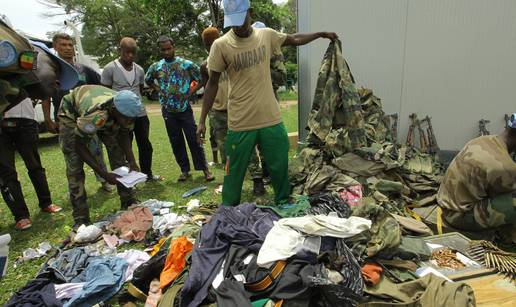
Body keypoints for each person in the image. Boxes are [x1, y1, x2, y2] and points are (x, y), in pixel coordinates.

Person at [197, 0, 337, 206]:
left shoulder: (266, 35)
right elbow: (212, 84)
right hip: (240, 121)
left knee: (279, 165)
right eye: (233, 22)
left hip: (270, 117)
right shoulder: (221, 45)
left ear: (250, 13)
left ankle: (283, 200)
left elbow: (294, 39)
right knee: (234, 170)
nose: (237, 26)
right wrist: (201, 120)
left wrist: (320, 34)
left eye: (241, 20)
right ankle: (228, 210)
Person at [58, 85, 142, 227]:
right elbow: (78, 145)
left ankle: (128, 200)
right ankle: (81, 218)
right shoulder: (97, 115)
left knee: (118, 156)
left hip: (107, 116)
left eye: (131, 119)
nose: (129, 121)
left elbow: (124, 134)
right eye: (126, 119)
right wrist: (103, 174)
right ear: (115, 110)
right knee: (75, 167)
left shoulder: (127, 110)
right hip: (71, 113)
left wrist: (132, 161)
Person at [42, 33, 116, 193]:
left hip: (88, 120)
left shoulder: (85, 70)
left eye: (70, 45)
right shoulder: (52, 72)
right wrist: (47, 119)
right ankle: (76, 186)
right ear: (55, 47)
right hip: (65, 121)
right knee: (72, 155)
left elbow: (102, 89)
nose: (68, 48)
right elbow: (45, 96)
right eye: (63, 45)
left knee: (96, 152)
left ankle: (104, 180)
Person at [145, 35, 214, 182]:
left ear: (173, 47)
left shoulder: (186, 64)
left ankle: (204, 169)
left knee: (194, 138)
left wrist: (191, 91)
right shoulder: (156, 67)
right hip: (168, 110)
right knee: (175, 141)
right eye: (163, 50)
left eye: (169, 48)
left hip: (184, 109)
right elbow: (148, 80)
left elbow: (202, 78)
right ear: (160, 50)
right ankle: (184, 170)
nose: (166, 52)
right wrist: (159, 90)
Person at [437, 116, 516, 242]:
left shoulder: (484, 140)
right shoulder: (505, 166)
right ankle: (507, 239)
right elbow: (505, 196)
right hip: (459, 217)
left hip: (446, 204)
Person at [101, 37, 161, 181]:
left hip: (139, 114)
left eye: (133, 53)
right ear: (120, 50)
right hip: (120, 116)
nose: (130, 56)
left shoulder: (139, 69)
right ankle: (128, 177)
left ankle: (147, 174)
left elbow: (139, 90)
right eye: (127, 52)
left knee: (145, 144)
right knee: (123, 146)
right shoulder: (110, 69)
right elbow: (105, 93)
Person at [0, 98, 62, 230]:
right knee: (6, 172)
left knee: (34, 165)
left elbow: (41, 90)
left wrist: (46, 118)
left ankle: (46, 203)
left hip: (25, 120)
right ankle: (21, 216)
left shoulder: (23, 77)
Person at [200, 27, 230, 167]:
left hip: (236, 107)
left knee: (243, 143)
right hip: (218, 111)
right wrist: (205, 116)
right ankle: (229, 173)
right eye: (207, 44)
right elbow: (208, 90)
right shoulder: (205, 66)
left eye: (213, 42)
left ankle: (254, 175)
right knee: (223, 146)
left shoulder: (230, 56)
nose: (210, 47)